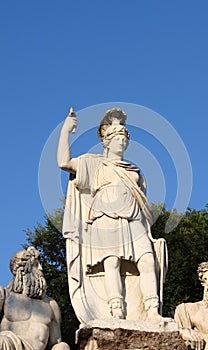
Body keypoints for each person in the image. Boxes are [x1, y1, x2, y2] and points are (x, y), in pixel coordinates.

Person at [57, 107, 167, 321]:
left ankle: (152, 311)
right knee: (112, 263)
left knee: (147, 261)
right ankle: (116, 312)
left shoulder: (134, 171)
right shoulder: (93, 163)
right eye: (118, 137)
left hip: (133, 219)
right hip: (104, 217)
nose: (122, 142)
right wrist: (65, 131)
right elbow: (64, 163)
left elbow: (143, 206)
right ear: (106, 141)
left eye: (125, 137)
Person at [0, 246, 70, 350]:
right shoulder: (4, 296)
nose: (41, 269)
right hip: (8, 346)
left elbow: (55, 343)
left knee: (63, 347)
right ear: (23, 269)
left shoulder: (51, 305)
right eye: (36, 265)